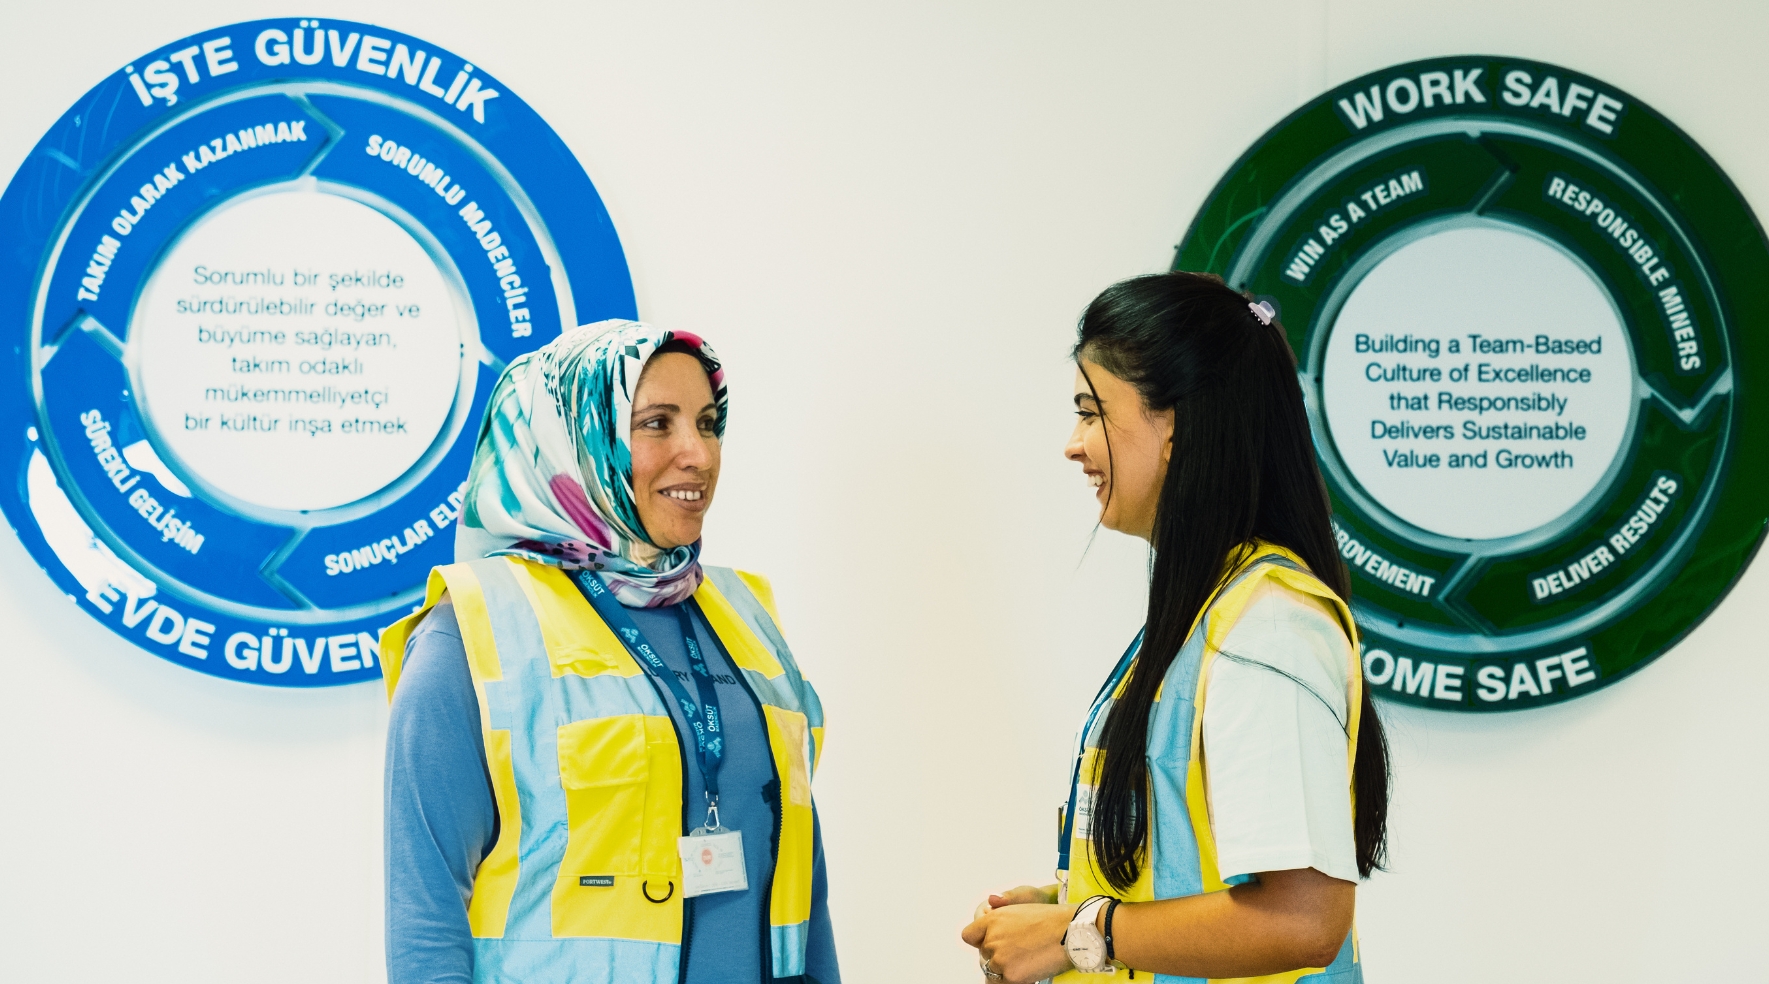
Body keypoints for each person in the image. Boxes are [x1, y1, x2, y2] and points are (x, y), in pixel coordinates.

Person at [380, 320, 839, 984]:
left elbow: (803, 889)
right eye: (656, 423)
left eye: (708, 424)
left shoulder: (745, 617)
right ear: (573, 438)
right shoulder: (473, 631)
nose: (698, 455)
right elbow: (425, 922)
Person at [962, 273, 1390, 983]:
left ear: (1178, 425)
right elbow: (1192, 870)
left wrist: (1075, 932)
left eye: (1091, 412)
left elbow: (1301, 919)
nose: (1073, 445)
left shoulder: (1265, 632)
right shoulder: (1208, 616)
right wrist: (1066, 904)